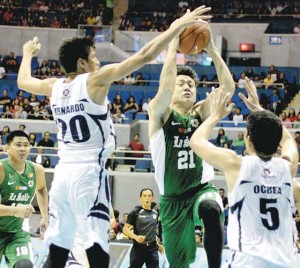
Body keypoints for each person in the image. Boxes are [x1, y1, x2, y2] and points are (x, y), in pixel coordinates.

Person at [17, 6, 212, 268]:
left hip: (62, 174)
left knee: (58, 248)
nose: (98, 62)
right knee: (97, 247)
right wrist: (177, 27)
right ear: (82, 63)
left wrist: (27, 54)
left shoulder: (54, 86)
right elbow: (144, 54)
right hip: (88, 174)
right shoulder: (95, 80)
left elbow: (23, 81)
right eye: (94, 57)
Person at [148, 20, 235, 268]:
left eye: (191, 85)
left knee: (210, 208)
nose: (188, 87)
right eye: (182, 84)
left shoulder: (200, 113)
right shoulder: (160, 114)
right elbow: (164, 90)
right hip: (172, 201)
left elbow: (228, 88)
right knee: (179, 264)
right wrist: (174, 47)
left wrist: (212, 50)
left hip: (200, 188)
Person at [189, 78, 299, 267]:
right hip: (286, 262)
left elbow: (196, 142)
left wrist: (215, 115)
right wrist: (259, 109)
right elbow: (289, 141)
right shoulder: (288, 168)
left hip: (247, 261)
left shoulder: (237, 165)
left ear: (248, 140)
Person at [0, 130, 48, 268]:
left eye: (26, 145)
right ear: (7, 148)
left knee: (25, 265)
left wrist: (45, 216)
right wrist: (16, 211)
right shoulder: (2, 169)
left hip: (17, 233)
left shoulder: (37, 170)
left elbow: (42, 189)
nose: (22, 148)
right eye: (18, 145)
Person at [123, 188, 163, 268]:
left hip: (152, 249)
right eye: (144, 196)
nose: (147, 198)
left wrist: (158, 244)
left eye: (149, 196)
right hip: (139, 249)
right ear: (140, 198)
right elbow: (125, 229)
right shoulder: (135, 212)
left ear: (152, 198)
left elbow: (152, 230)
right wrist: (135, 237)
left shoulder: (156, 212)